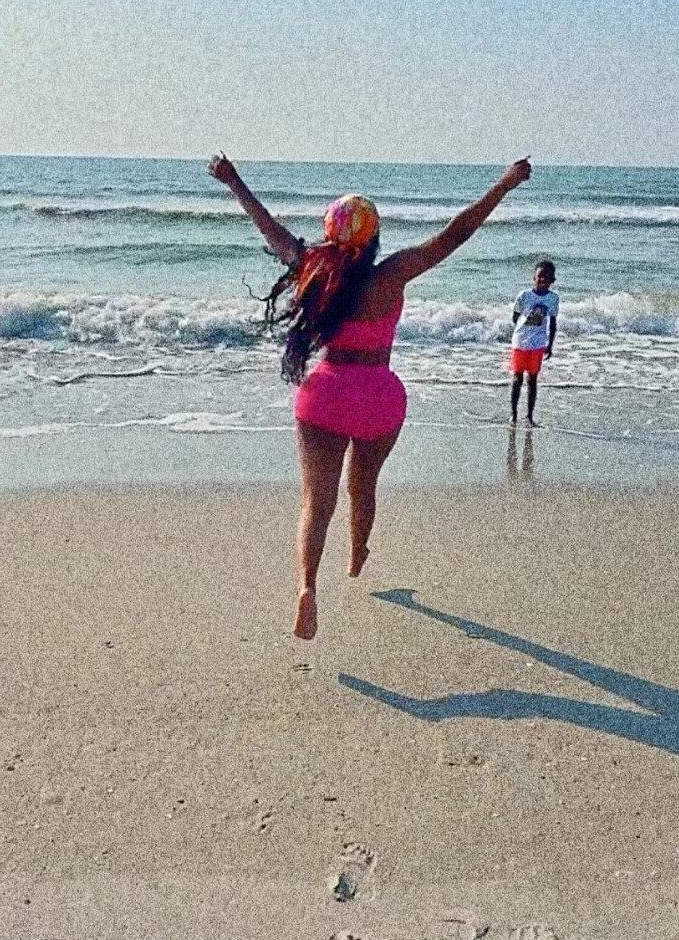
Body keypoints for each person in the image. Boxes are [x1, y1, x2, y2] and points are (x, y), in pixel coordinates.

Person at [208, 152, 532, 639]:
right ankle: (357, 553)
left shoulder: (313, 268)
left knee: (317, 503)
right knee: (363, 488)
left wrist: (234, 182)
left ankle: (306, 588)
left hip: (326, 395)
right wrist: (503, 185)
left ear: (330, 233)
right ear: (375, 238)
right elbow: (454, 234)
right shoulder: (392, 275)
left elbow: (268, 227)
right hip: (379, 397)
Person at [509, 260, 559, 427]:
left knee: (532, 380)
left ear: (553, 280)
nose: (543, 279)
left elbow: (552, 324)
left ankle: (529, 416)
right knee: (517, 378)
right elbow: (515, 316)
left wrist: (550, 345)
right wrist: (523, 329)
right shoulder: (524, 295)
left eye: (547, 276)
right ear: (534, 277)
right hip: (521, 342)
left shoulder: (553, 299)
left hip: (538, 344)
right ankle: (514, 414)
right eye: (540, 275)